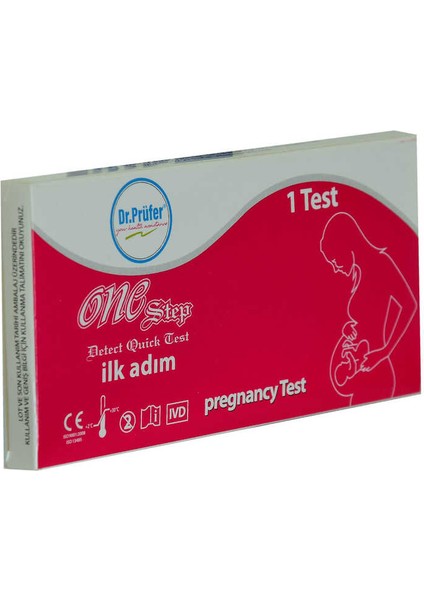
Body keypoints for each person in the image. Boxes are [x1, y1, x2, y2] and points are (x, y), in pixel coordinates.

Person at [320, 212, 417, 405]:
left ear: (346, 246)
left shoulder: (381, 263)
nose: (336, 267)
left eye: (335, 260)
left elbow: (409, 305)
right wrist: (350, 328)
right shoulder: (358, 273)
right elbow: (368, 318)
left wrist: (385, 351)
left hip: (376, 369)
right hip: (361, 368)